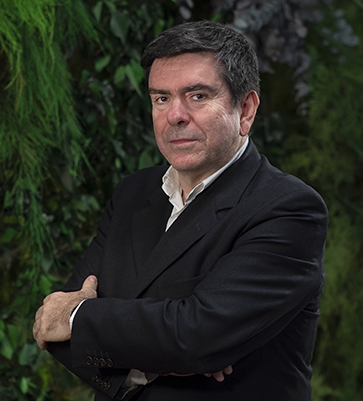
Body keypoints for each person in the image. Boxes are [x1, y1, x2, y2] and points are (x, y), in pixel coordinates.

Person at [33, 20, 328, 401]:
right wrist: (161, 353)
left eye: (197, 96)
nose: (175, 115)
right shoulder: (132, 193)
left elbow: (194, 337)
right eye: (161, 98)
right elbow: (55, 334)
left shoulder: (288, 209)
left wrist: (79, 319)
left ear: (245, 110)